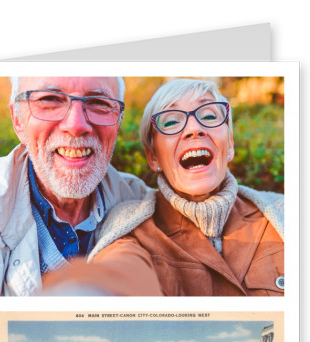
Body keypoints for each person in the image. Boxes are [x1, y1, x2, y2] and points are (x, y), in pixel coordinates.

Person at [42, 78, 284, 296]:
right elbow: (121, 270)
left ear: (229, 144)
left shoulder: (283, 213)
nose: (194, 129)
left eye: (209, 116)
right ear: (153, 157)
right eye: (171, 121)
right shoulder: (132, 229)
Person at [0, 76, 153, 296]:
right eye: (50, 99)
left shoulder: (142, 204)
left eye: (99, 103)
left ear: (118, 121)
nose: (76, 125)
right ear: (17, 120)